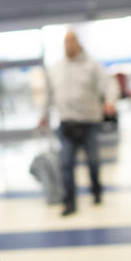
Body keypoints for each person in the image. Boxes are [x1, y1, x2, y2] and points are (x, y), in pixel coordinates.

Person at [39, 31, 118, 217]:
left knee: (93, 162)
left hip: (89, 123)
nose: (69, 45)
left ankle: (96, 192)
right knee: (66, 164)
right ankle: (70, 203)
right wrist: (43, 115)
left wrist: (110, 101)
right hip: (67, 124)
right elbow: (49, 95)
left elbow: (109, 84)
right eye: (66, 41)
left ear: (78, 44)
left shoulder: (91, 65)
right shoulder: (56, 68)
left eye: (72, 41)